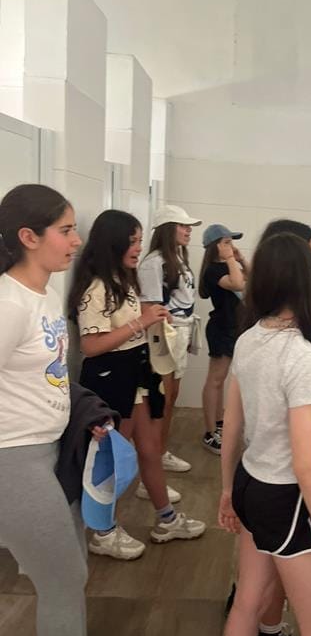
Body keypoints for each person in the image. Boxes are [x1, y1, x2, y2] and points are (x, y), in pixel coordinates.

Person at [0, 184, 141, 636]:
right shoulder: (7, 303)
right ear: (28, 237)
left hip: (51, 450)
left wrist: (84, 414)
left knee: (72, 573)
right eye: (65, 230)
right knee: (63, 579)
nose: (77, 240)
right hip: (14, 459)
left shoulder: (42, 295)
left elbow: (49, 377)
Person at [219, 232, 311, 636]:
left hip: (251, 483)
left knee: (246, 605)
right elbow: (307, 466)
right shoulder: (302, 356)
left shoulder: (250, 338)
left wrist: (227, 490)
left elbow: (232, 423)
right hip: (284, 498)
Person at [68, 209, 206, 560]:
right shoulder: (97, 287)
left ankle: (167, 519)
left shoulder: (123, 280)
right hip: (112, 378)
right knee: (115, 458)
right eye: (132, 241)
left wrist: (151, 319)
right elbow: (91, 346)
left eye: (140, 240)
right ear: (112, 242)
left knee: (149, 449)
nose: (138, 248)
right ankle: (103, 532)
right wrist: (140, 323)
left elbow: (132, 326)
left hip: (136, 373)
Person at [138, 204, 202, 474]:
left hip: (180, 331)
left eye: (189, 226)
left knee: (172, 395)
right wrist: (165, 334)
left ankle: (160, 450)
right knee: (163, 397)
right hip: (164, 335)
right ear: (167, 229)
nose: (188, 230)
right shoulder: (154, 263)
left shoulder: (177, 258)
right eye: (182, 225)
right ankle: (154, 454)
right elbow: (149, 307)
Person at [199, 223, 249, 454]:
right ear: (215, 246)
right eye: (227, 242)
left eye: (231, 242)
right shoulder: (213, 270)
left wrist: (240, 259)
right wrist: (230, 259)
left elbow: (251, 281)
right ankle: (210, 433)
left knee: (221, 380)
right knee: (215, 380)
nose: (232, 246)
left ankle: (218, 423)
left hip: (232, 328)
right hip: (221, 328)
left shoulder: (226, 266)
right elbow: (237, 284)